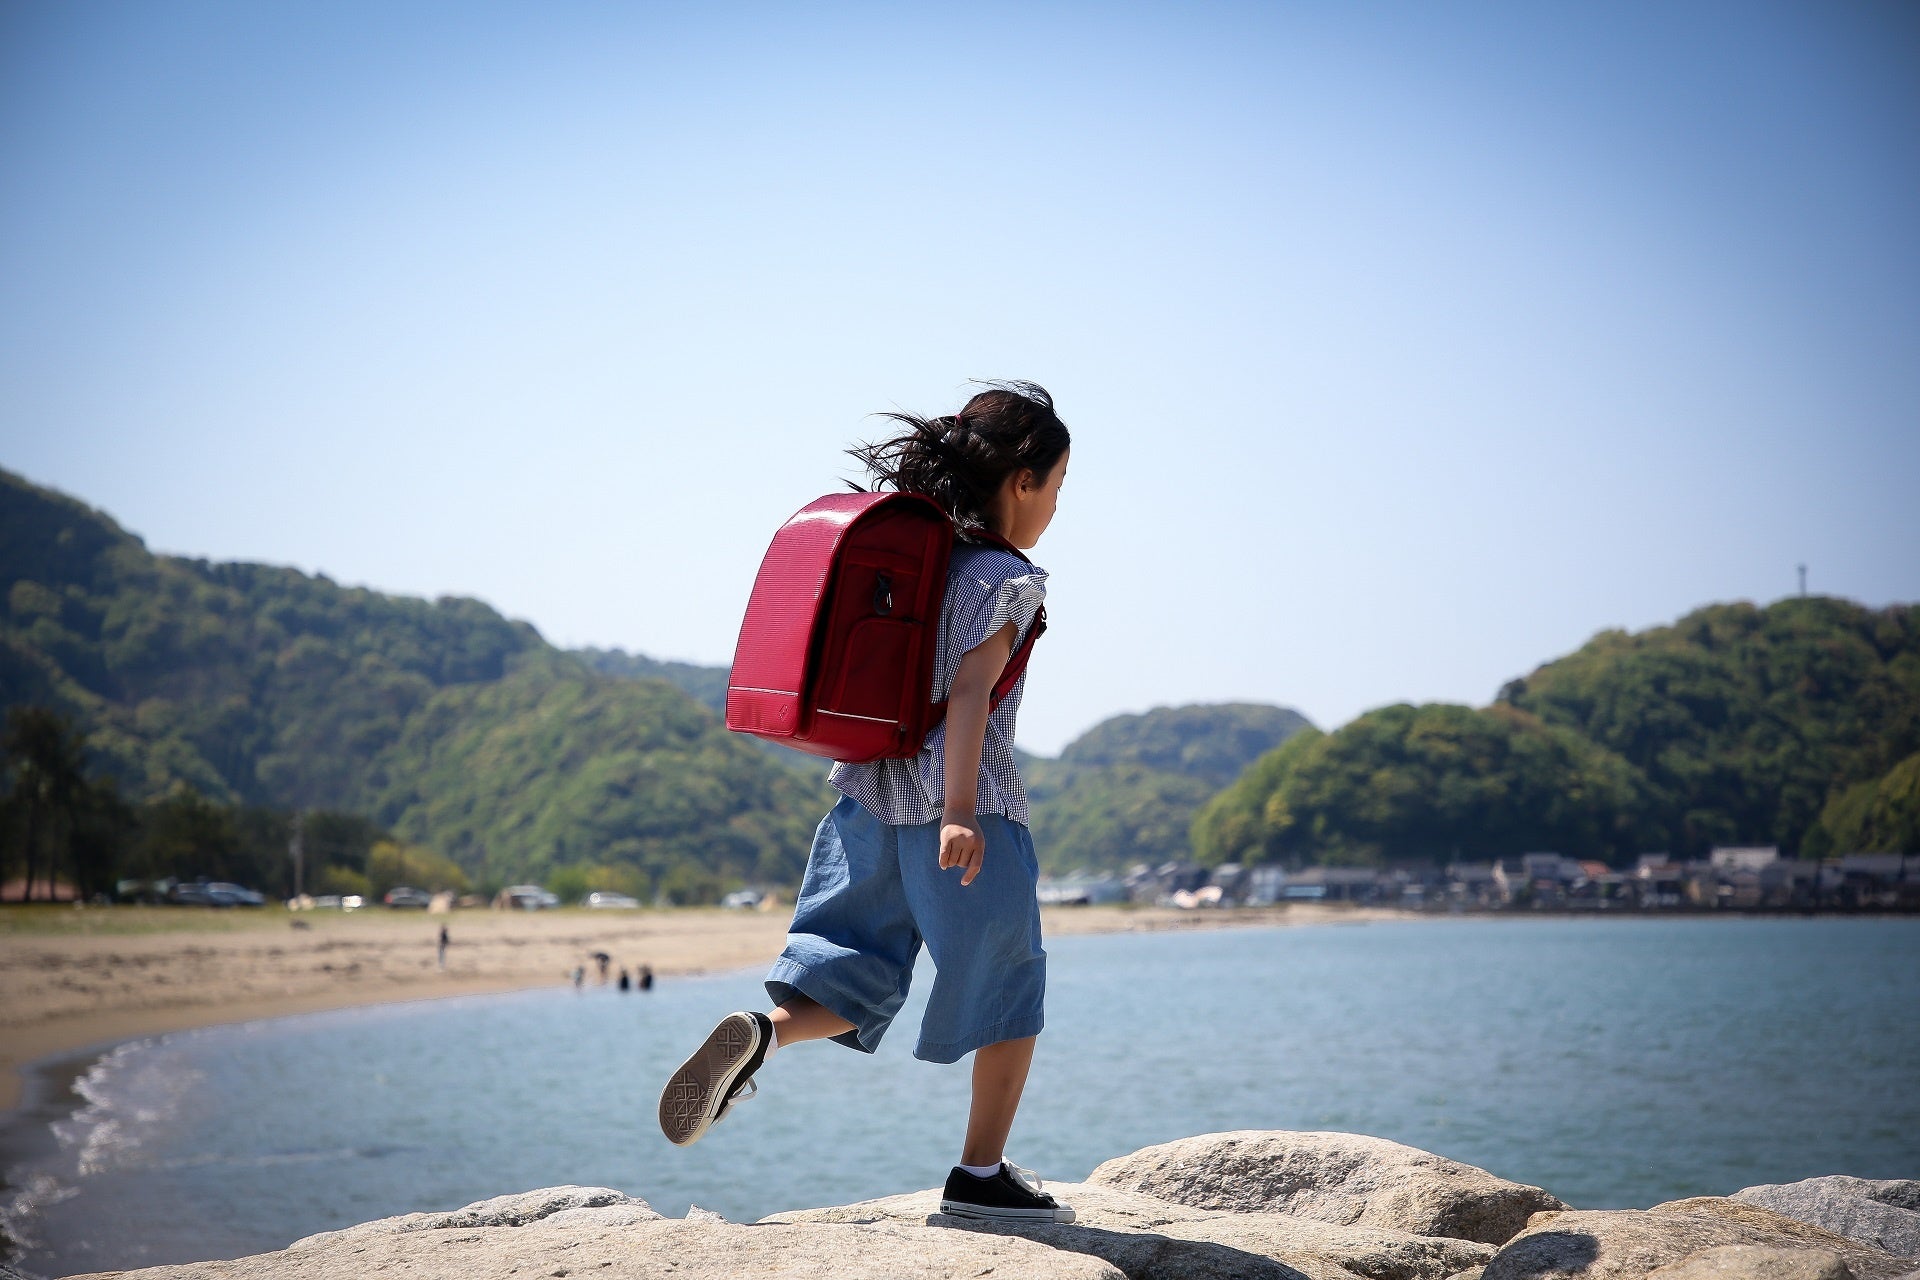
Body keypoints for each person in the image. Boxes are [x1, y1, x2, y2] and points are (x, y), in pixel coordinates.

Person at [657, 381, 1073, 1223]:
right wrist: (960, 809)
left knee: (852, 970)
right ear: (1022, 481)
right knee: (1008, 989)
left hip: (867, 800)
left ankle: (765, 1031)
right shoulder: (1005, 577)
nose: (1057, 506)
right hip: (966, 813)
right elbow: (970, 693)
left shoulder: (924, 565)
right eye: (1058, 486)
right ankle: (980, 1175)